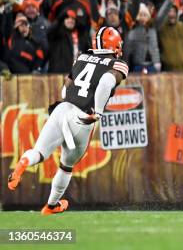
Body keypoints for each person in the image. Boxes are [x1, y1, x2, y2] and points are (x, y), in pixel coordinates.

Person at [7, 26, 128, 215]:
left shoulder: (82, 57)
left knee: (39, 152)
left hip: (62, 108)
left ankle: (23, 163)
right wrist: (98, 112)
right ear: (113, 45)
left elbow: (66, 89)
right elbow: (105, 81)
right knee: (66, 165)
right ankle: (51, 206)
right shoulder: (117, 64)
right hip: (82, 118)